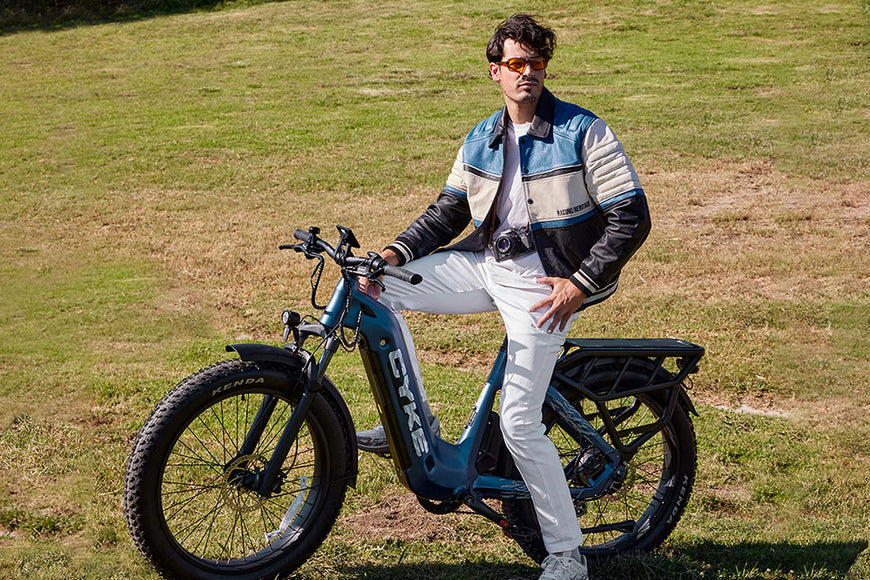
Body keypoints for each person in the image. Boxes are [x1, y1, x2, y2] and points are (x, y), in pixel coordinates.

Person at [356, 13, 651, 580]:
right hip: (487, 264)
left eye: (537, 64)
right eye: (517, 64)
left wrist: (580, 283)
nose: (528, 74)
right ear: (496, 71)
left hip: (548, 285)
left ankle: (567, 555)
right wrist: (392, 254)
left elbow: (631, 216)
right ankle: (420, 427)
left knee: (518, 423)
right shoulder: (482, 136)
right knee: (377, 290)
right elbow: (447, 212)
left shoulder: (582, 131)